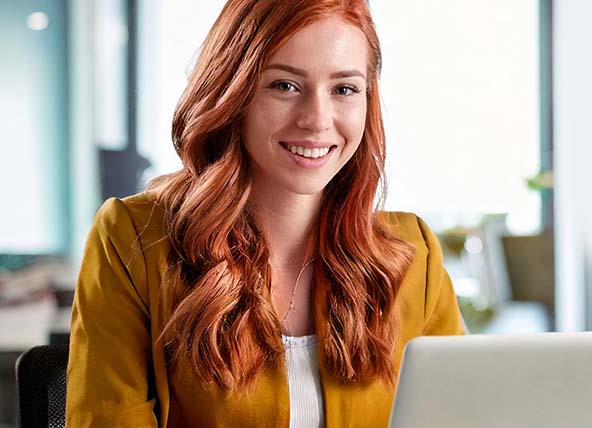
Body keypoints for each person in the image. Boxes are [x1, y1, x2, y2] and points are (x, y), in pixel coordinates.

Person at [66, 0, 465, 426]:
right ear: (232, 92)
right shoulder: (134, 240)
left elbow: (466, 413)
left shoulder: (414, 255)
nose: (317, 119)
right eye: (285, 86)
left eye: (344, 89)